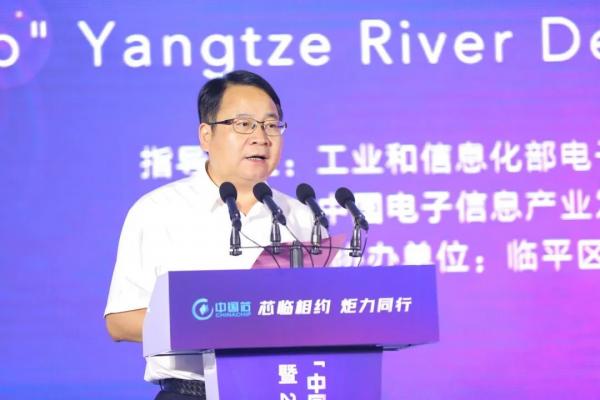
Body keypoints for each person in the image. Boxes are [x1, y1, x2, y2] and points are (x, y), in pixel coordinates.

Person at [104, 70, 316, 400]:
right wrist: (212, 322)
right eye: (244, 124)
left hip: (284, 389)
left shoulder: (301, 217)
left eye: (271, 125)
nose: (261, 137)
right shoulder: (157, 211)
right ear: (206, 135)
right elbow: (120, 321)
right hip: (191, 392)